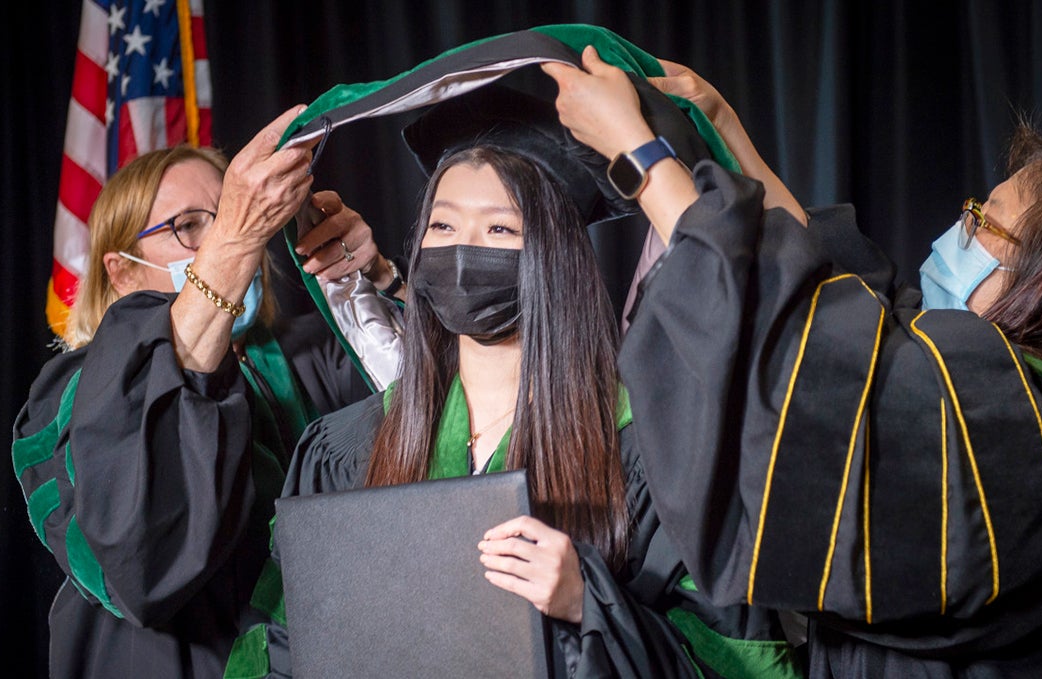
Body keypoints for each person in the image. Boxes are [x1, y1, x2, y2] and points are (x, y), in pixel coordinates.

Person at [544, 46, 1042, 677]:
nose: (959, 230)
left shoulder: (1012, 418)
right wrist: (724, 127)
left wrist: (640, 157)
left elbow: (795, 365)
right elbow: (847, 311)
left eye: (985, 221)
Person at [228, 85, 806, 679]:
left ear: (553, 256)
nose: (463, 251)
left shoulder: (652, 448)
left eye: (501, 230)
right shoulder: (346, 446)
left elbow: (738, 662)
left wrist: (590, 603)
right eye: (443, 226)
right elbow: (281, 642)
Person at [11, 106, 402, 678]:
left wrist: (376, 282)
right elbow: (141, 563)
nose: (221, 237)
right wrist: (231, 246)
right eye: (191, 225)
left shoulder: (305, 352)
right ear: (120, 273)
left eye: (230, 216)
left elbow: (450, 434)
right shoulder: (72, 391)